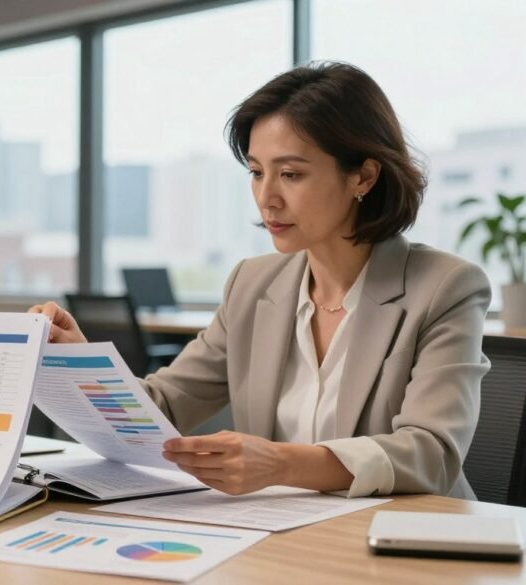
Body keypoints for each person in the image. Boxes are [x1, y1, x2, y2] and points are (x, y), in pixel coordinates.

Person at [31, 62, 490, 499]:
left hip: (403, 544)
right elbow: (166, 406)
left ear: (363, 177)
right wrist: (80, 362)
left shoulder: (446, 287)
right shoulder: (252, 284)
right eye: (256, 172)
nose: (266, 198)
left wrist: (280, 464)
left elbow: (433, 453)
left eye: (290, 174)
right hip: (281, 535)